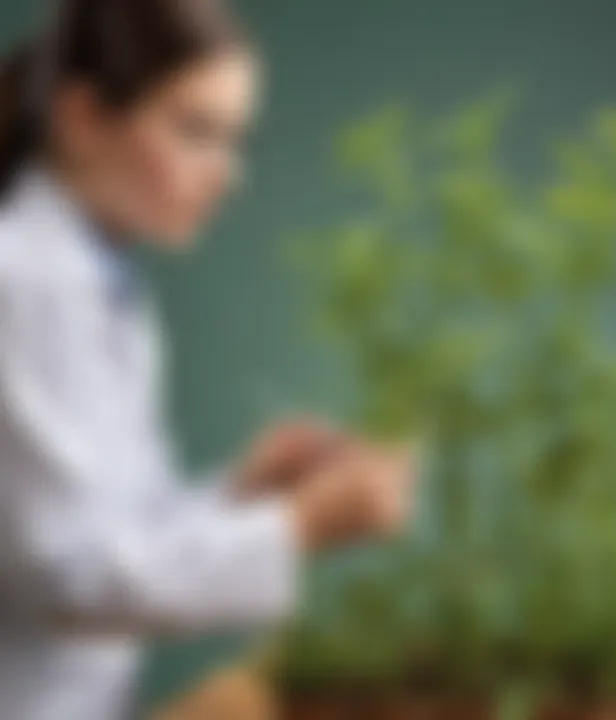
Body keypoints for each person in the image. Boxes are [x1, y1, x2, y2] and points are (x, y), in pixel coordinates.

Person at [0, 1, 416, 718]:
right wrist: (301, 526)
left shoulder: (99, 277)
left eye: (235, 141)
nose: (228, 176)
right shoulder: (25, 281)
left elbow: (110, 531)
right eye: (195, 132)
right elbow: (71, 580)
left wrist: (245, 494)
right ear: (81, 119)